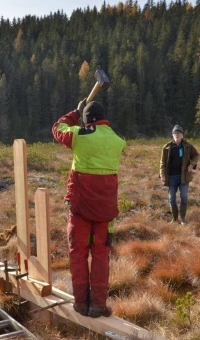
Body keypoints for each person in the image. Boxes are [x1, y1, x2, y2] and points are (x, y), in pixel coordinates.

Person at [52, 99, 126, 318]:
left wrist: (74, 113)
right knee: (101, 255)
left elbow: (58, 128)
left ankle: (81, 304)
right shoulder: (119, 139)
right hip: (106, 211)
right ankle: (98, 305)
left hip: (81, 209)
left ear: (86, 120)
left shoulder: (79, 135)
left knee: (78, 254)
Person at [159, 125, 200, 224]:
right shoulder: (166, 147)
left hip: (184, 177)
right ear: (172, 135)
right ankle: (174, 219)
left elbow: (196, 155)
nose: (176, 135)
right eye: (175, 134)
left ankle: (183, 219)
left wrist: (191, 164)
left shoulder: (188, 146)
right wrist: (162, 174)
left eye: (178, 133)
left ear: (182, 135)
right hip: (171, 177)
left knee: (184, 196)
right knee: (171, 198)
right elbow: (162, 162)